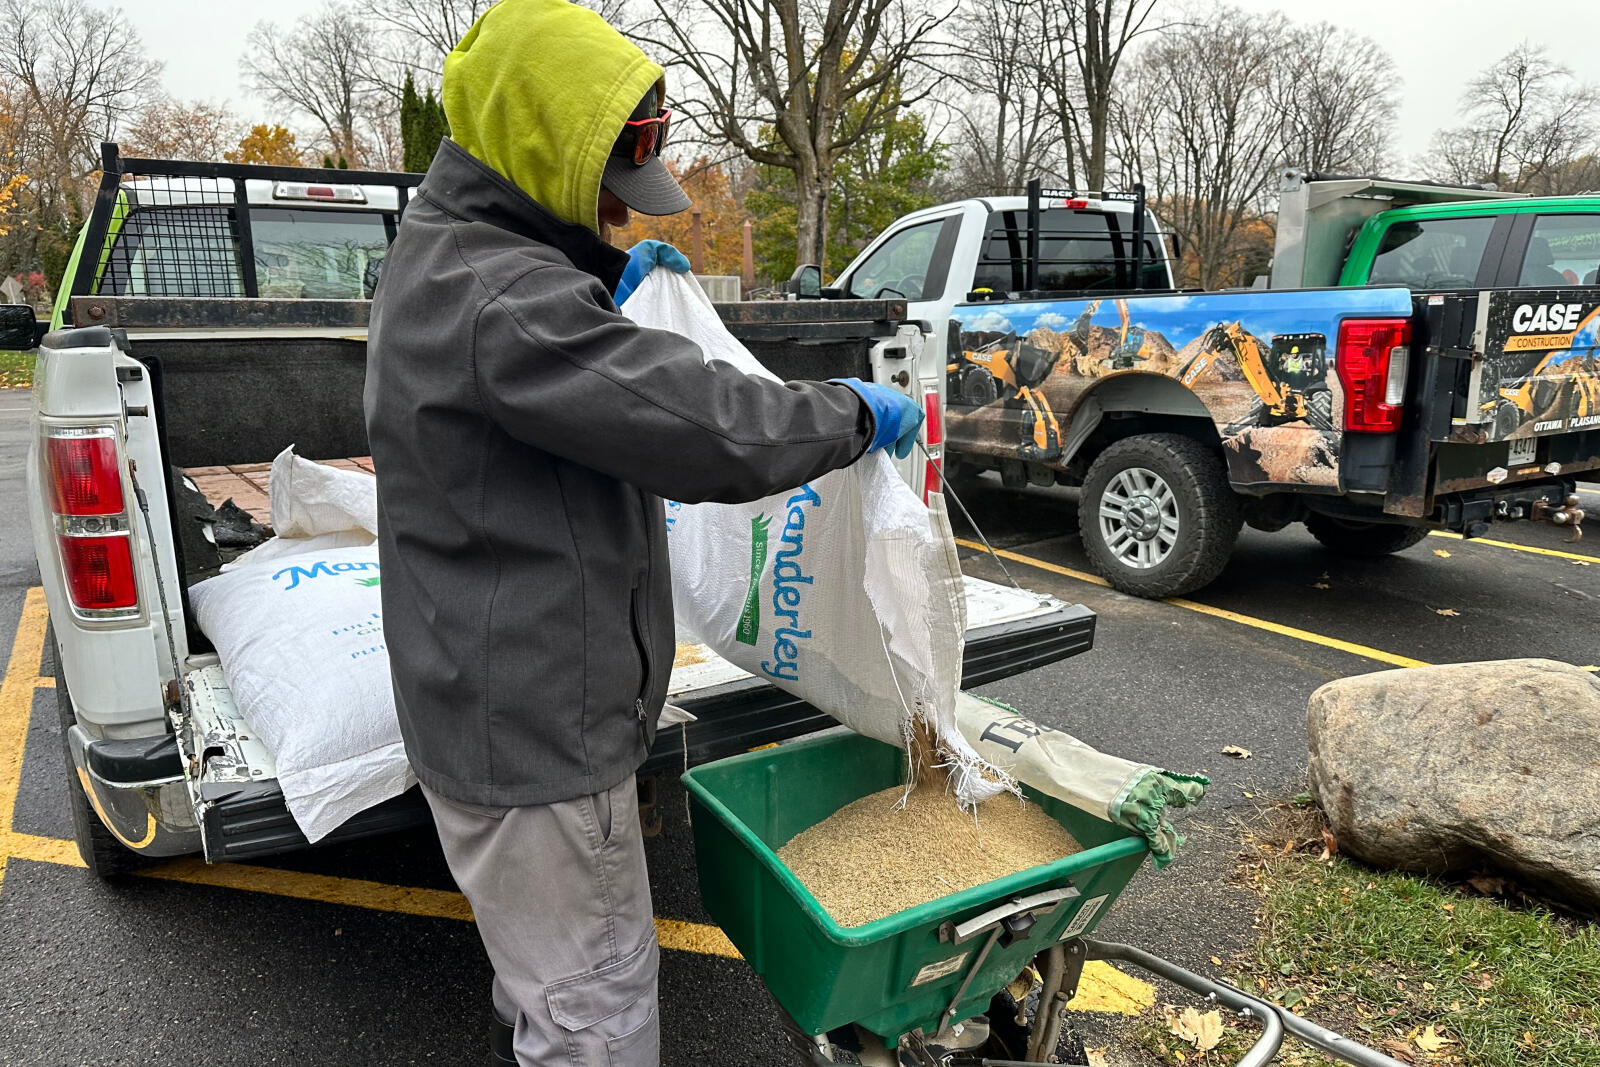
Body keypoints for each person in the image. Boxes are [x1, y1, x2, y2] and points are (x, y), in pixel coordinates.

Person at [362, 1, 923, 1064]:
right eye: (607, 195)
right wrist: (847, 411)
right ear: (541, 150)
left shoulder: (448, 251)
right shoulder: (507, 298)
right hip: (538, 736)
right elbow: (706, 428)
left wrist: (583, 288)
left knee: (543, 983)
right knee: (595, 1013)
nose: (623, 220)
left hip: (480, 698)